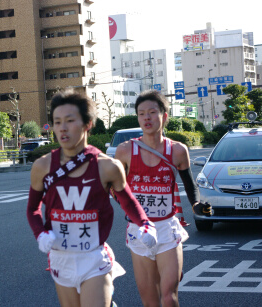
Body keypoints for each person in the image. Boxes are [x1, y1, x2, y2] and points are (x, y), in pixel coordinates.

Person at [27, 89, 157, 307]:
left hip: (93, 257)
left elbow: (127, 200)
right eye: (57, 122)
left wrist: (144, 224)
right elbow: (32, 208)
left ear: (87, 124)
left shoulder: (107, 166)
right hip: (61, 258)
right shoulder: (42, 166)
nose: (62, 128)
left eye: (70, 120)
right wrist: (40, 233)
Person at [115, 90, 212, 307]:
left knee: (169, 297)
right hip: (139, 230)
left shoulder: (178, 150)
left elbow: (189, 184)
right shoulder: (124, 151)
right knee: (150, 301)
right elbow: (116, 190)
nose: (146, 118)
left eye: (152, 112)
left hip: (168, 228)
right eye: (141, 114)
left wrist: (196, 204)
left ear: (165, 116)